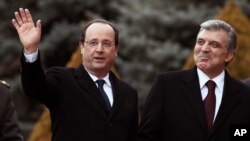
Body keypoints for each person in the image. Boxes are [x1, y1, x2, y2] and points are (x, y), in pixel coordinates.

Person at [12, 8, 138, 141]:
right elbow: (34, 88)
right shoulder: (62, 80)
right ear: (82, 47)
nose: (99, 49)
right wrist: (30, 49)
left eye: (106, 44)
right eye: (93, 43)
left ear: (116, 50)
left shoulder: (128, 94)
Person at [138, 20, 250, 141]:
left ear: (228, 55)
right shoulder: (167, 85)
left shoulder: (245, 94)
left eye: (214, 44)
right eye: (200, 42)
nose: (204, 49)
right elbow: (147, 136)